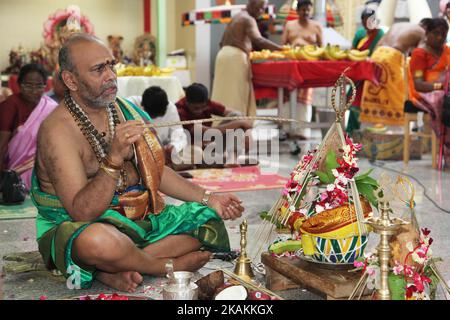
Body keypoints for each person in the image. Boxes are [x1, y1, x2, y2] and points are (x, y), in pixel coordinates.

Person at [32, 34, 244, 292]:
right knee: (97, 242)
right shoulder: (57, 132)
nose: (110, 75)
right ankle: (158, 265)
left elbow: (155, 171)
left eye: (111, 65)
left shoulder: (123, 110)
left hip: (136, 219)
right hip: (80, 226)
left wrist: (208, 197)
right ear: (70, 80)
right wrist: (113, 158)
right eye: (99, 69)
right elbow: (82, 212)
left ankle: (111, 269)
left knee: (207, 220)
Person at [211, 0, 282, 117]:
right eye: (260, 8)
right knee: (236, 94)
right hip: (235, 57)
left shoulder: (236, 17)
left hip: (223, 55)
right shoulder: (249, 19)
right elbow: (258, 40)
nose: (261, 12)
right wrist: (281, 49)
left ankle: (218, 122)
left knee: (222, 92)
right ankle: (235, 124)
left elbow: (221, 42)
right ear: (251, 4)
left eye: (263, 9)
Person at [0, 64, 58, 190]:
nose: (33, 90)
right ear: (19, 85)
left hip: (43, 164)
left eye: (39, 86)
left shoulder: (50, 107)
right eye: (28, 85)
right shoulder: (10, 105)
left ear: (45, 86)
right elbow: (2, 146)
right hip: (14, 170)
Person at [360, 20, 427, 127]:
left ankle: (370, 125)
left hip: (376, 55)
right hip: (392, 57)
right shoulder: (422, 33)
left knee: (374, 92)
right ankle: (395, 129)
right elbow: (420, 56)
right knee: (396, 94)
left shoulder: (397, 25)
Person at [177, 83, 254, 167]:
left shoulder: (207, 103)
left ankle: (232, 158)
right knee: (209, 159)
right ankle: (225, 159)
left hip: (211, 143)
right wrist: (239, 123)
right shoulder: (180, 110)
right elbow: (207, 131)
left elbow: (238, 115)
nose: (200, 110)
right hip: (194, 149)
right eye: (196, 108)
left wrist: (247, 132)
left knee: (235, 115)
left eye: (203, 107)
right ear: (187, 102)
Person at [408, 18, 450, 164]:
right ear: (427, 33)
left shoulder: (448, 51)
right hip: (423, 94)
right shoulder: (420, 54)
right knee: (443, 100)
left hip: (445, 91)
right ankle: (447, 148)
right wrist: (441, 86)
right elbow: (418, 85)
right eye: (436, 33)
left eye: (444, 34)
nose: (440, 37)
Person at [281, 0, 323, 140]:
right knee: (288, 97)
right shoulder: (290, 25)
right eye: (303, 10)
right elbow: (283, 46)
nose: (305, 12)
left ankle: (302, 131)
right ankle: (286, 129)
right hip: (291, 65)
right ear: (297, 11)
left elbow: (322, 49)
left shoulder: (316, 26)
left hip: (308, 67)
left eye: (308, 10)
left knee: (304, 99)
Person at [127, 86, 191, 170]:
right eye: (151, 116)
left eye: (156, 116)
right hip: (138, 153)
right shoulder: (131, 103)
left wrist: (174, 147)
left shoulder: (170, 108)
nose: (153, 119)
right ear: (142, 105)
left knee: (192, 155)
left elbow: (179, 135)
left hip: (164, 154)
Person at [346, 7, 385, 135]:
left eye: (371, 20)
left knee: (371, 106)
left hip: (374, 77)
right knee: (355, 105)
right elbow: (353, 51)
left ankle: (368, 136)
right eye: (366, 20)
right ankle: (351, 135)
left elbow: (383, 54)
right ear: (362, 22)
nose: (369, 23)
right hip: (359, 76)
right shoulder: (360, 34)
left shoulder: (381, 35)